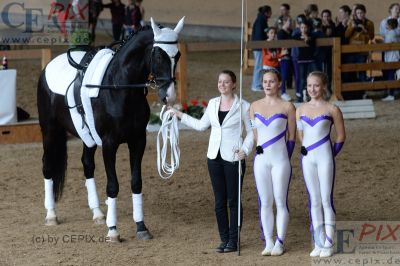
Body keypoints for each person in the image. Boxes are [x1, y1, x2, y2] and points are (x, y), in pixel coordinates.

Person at [170, 70, 254, 253]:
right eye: (220, 82)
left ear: (233, 84)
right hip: (214, 158)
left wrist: (245, 150)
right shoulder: (213, 103)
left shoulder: (244, 106)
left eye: (226, 82)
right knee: (219, 202)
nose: (222, 85)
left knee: (233, 200)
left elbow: (251, 132)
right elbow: (201, 126)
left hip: (233, 158)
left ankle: (234, 239)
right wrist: (178, 114)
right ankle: (224, 239)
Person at [296, 71, 346, 258]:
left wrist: (330, 154)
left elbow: (340, 136)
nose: (312, 89)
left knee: (326, 199)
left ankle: (329, 242)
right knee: (314, 200)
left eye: (316, 85)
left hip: (325, 156)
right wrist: (305, 148)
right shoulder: (299, 109)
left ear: (323, 86)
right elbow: (301, 134)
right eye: (309, 86)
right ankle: (319, 240)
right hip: (308, 159)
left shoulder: (332, 109)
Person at [250, 69, 296, 256]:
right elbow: (255, 134)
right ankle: (268, 240)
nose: (268, 84)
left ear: (279, 83)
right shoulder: (254, 106)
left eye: (272, 81)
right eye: (265, 81)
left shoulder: (288, 107)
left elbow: (292, 137)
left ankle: (280, 241)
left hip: (280, 161)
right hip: (261, 160)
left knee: (280, 200)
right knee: (265, 201)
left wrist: (285, 156)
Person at [292, 20, 316, 102]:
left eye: (305, 27)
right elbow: (293, 37)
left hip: (311, 59)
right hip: (302, 60)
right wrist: (302, 37)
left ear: (308, 28)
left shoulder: (312, 35)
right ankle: (300, 97)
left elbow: (312, 42)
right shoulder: (298, 35)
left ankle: (313, 96)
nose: (303, 29)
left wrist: (307, 38)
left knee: (313, 77)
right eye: (302, 27)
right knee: (302, 79)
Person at [251, 5, 272, 92]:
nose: (271, 14)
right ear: (266, 13)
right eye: (270, 12)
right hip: (259, 47)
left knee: (259, 66)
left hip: (258, 47)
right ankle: (256, 85)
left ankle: (257, 84)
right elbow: (260, 35)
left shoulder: (261, 20)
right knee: (258, 67)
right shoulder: (261, 21)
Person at [381, 18, 400, 101]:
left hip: (392, 57)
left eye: (387, 24)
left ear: (390, 25)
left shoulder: (392, 33)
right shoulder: (395, 32)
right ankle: (392, 93)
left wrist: (379, 43)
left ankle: (391, 94)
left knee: (391, 76)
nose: (385, 26)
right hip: (392, 56)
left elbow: (386, 45)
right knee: (391, 75)